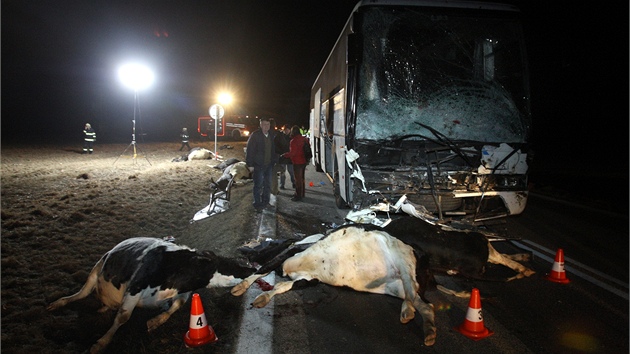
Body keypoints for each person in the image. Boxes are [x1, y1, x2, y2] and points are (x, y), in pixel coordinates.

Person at [246, 117, 277, 211]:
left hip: (268, 165)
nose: (266, 127)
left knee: (268, 184)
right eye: (264, 124)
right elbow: (250, 150)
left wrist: (274, 160)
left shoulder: (271, 135)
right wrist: (250, 165)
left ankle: (265, 202)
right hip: (258, 165)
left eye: (268, 124)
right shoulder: (255, 135)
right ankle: (257, 204)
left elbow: (273, 149)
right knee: (258, 185)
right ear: (260, 125)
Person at [282, 125, 307, 201]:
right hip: (304, 161)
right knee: (302, 178)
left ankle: (298, 195)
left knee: (298, 179)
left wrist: (284, 155)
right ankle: (302, 193)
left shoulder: (293, 141)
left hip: (297, 162)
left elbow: (293, 153)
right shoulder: (304, 139)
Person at [272, 125, 295, 194]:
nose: (286, 131)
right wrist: (280, 152)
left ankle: (294, 183)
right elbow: (275, 145)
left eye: (288, 130)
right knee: (282, 171)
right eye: (285, 130)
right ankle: (282, 184)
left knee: (291, 171)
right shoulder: (279, 136)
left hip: (290, 157)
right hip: (282, 156)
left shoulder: (292, 137)